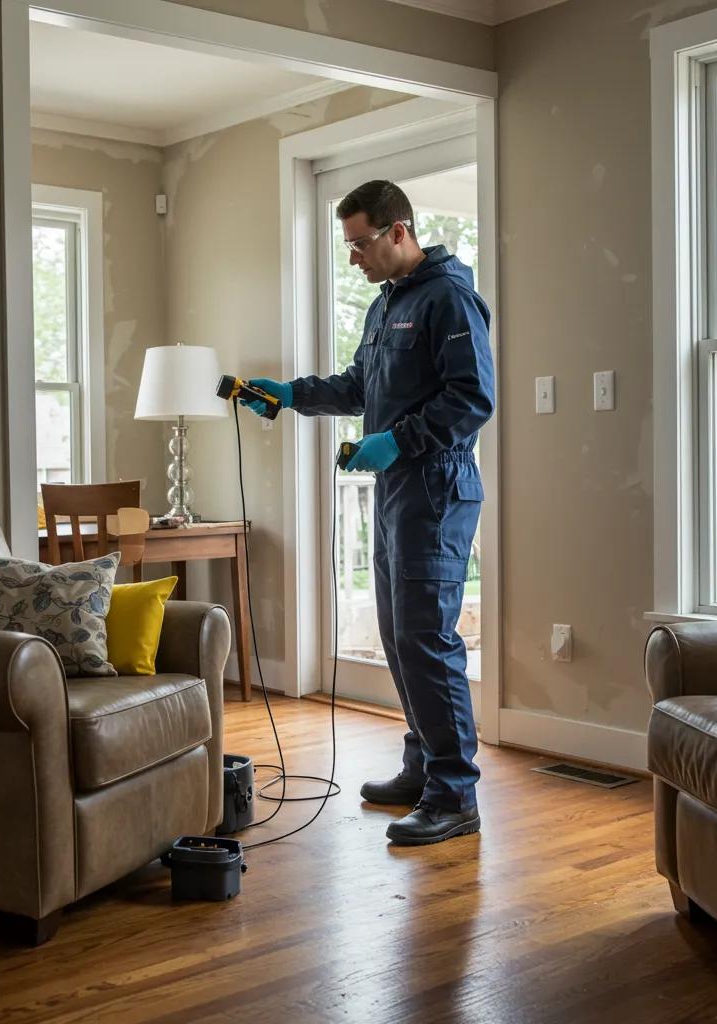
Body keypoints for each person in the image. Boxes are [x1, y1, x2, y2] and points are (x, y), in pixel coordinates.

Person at [242, 180, 495, 846]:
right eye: (349, 245)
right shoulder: (385, 308)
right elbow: (360, 387)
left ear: (399, 232)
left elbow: (472, 399)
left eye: (360, 244)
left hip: (437, 488)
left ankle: (454, 793)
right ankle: (422, 768)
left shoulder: (450, 299)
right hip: (396, 491)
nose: (353, 257)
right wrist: (292, 393)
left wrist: (399, 440)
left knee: (426, 636)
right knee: (398, 635)